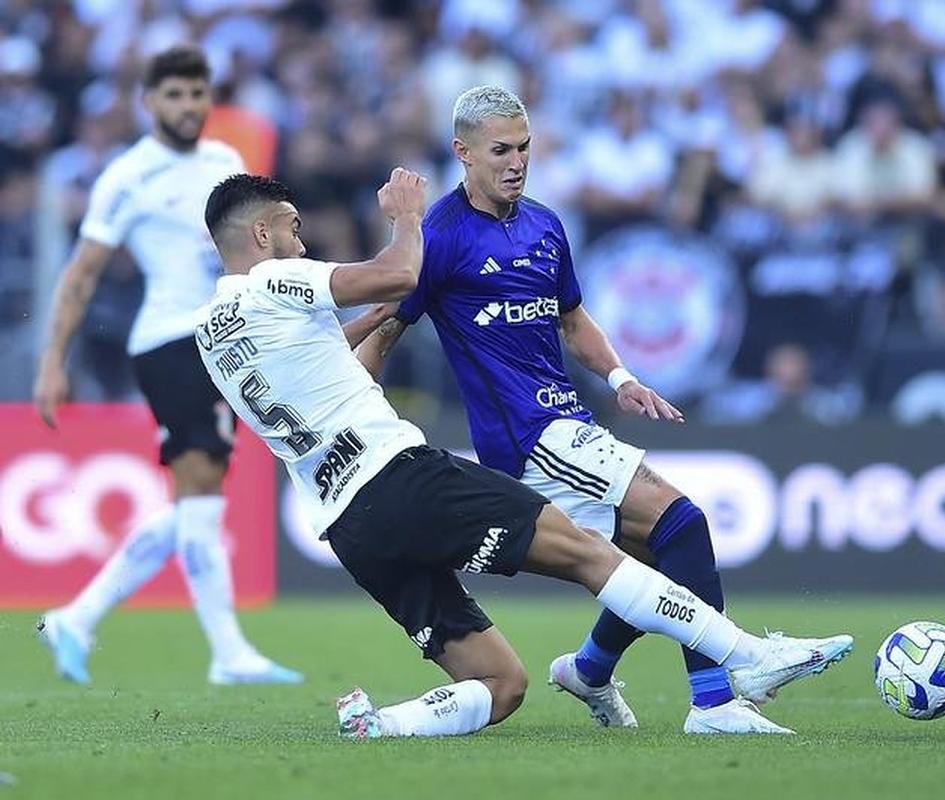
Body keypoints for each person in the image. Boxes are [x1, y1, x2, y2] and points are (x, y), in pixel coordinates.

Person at [198, 167, 851, 739]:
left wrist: (382, 317)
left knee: (501, 684)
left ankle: (381, 724)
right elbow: (396, 272)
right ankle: (744, 657)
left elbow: (320, 361)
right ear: (262, 234)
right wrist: (406, 217)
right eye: (293, 229)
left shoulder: (210, 332)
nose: (301, 243)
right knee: (592, 553)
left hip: (349, 527)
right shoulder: (274, 281)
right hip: (400, 478)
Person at [353, 85, 852, 734]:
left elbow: (572, 319)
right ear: (463, 152)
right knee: (682, 521)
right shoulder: (441, 236)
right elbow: (383, 331)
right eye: (500, 150)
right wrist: (362, 434)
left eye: (524, 148)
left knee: (653, 557)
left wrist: (620, 376)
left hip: (568, 421)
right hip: (528, 435)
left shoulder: (545, 225)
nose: (517, 162)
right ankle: (715, 700)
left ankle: (589, 670)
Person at [31, 45, 301, 686]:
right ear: (148, 102)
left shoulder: (225, 162)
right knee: (201, 490)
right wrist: (52, 361)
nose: (187, 106)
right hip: (169, 340)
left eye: (196, 93)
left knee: (195, 501)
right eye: (174, 95)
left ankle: (77, 617)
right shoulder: (128, 176)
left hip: (224, 338)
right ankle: (229, 653)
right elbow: (82, 274)